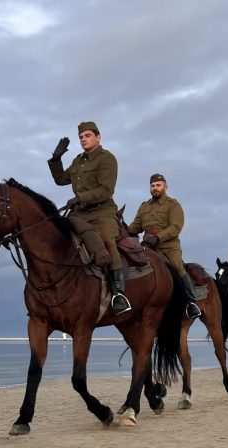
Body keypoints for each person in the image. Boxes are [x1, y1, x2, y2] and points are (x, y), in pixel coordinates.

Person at [48, 122, 129, 314]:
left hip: (102, 212)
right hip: (79, 213)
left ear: (98, 137)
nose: (83, 139)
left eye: (87, 136)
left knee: (107, 243)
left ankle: (119, 294)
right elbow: (61, 180)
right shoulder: (78, 161)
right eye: (81, 137)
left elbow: (106, 190)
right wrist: (55, 159)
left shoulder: (107, 159)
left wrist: (80, 197)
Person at [125, 173, 202, 319]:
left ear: (165, 187)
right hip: (147, 245)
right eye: (152, 186)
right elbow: (136, 226)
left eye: (158, 185)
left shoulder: (173, 205)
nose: (155, 188)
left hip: (169, 246)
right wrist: (122, 229)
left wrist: (158, 238)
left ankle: (191, 302)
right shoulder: (144, 206)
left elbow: (175, 227)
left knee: (177, 268)